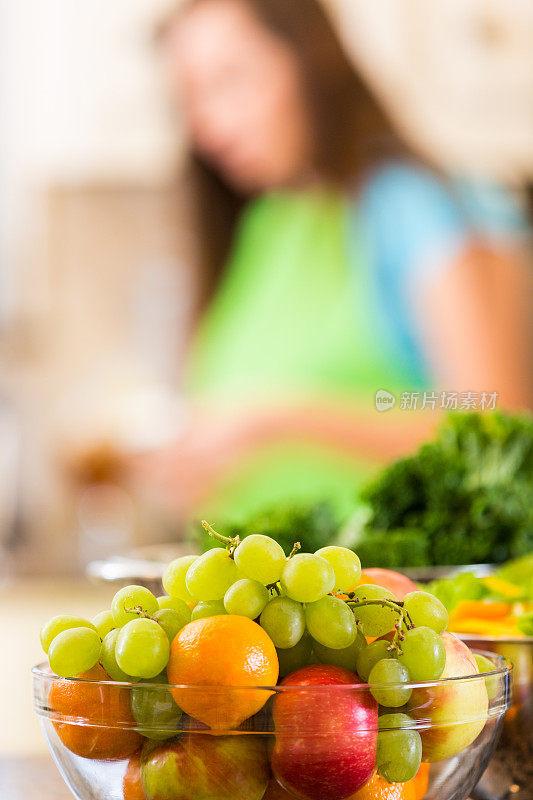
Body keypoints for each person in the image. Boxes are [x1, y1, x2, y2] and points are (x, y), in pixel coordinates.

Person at [135, 0, 532, 522]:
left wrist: (283, 421)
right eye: (190, 98)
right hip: (247, 593)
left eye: (230, 80)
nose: (207, 123)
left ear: (310, 62)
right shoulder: (265, 224)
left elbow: (487, 409)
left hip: (383, 592)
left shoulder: (408, 206)